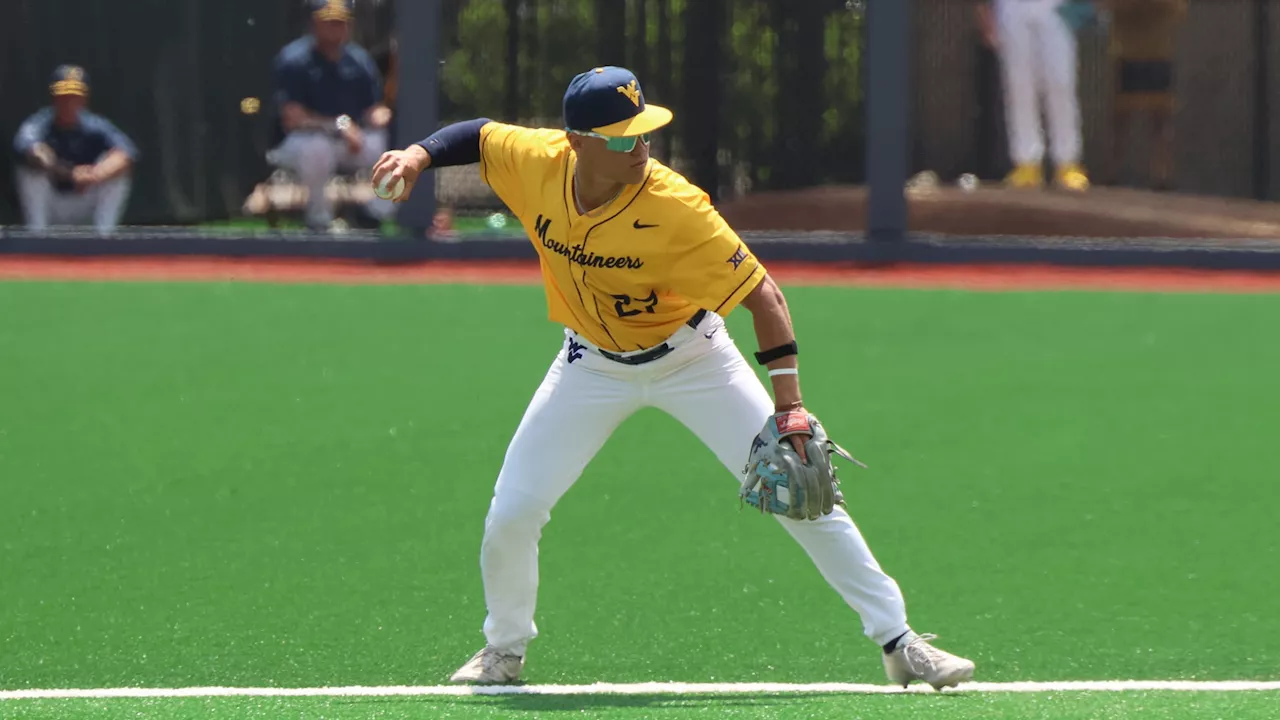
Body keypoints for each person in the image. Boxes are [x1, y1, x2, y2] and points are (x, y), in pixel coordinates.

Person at [370, 66, 977, 690]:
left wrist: (790, 409)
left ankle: (900, 642)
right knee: (513, 512)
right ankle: (503, 650)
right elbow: (477, 134)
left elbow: (764, 296)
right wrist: (416, 155)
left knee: (803, 494)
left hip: (695, 359)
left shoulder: (675, 206)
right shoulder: (538, 160)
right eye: (622, 137)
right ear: (576, 141)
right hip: (589, 365)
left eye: (645, 133)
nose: (640, 147)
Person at [270, 0, 394, 230]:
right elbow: (293, 117)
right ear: (314, 24)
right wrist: (339, 125)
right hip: (296, 143)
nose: (336, 28)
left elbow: (372, 109)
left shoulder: (358, 60)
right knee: (317, 148)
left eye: (340, 22)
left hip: (348, 143)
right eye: (329, 22)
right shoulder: (295, 59)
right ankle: (319, 221)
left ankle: (372, 213)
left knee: (391, 145)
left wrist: (384, 116)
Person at [974, 0, 1091, 191]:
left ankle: (1067, 162)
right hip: (1012, 6)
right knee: (1018, 83)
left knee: (1060, 80)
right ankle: (1027, 162)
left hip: (1055, 6)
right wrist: (984, 10)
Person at [12, 65, 136, 234]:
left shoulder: (95, 125)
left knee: (117, 172)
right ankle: (38, 239)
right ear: (54, 97)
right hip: (52, 206)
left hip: (84, 203)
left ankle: (103, 239)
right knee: (31, 172)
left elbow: (126, 154)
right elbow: (32, 150)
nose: (68, 102)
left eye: (74, 96)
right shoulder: (39, 123)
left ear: (84, 99)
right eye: (63, 96)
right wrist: (68, 172)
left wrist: (95, 174)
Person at [1103, 0, 1186, 190]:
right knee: (1120, 120)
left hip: (1158, 54)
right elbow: (1106, 5)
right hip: (1126, 54)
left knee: (1160, 120)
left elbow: (1177, 9)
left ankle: (1162, 176)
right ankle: (1112, 174)